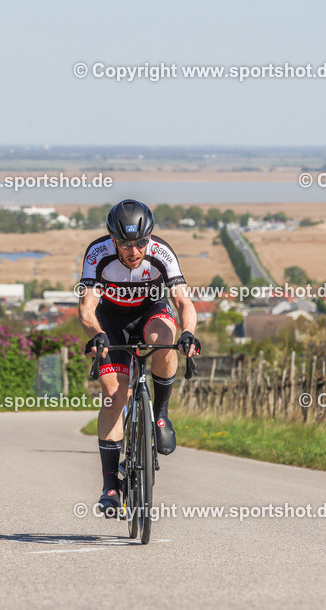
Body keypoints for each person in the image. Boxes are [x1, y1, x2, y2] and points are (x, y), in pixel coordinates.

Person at [78, 199, 201, 517]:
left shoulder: (162, 254)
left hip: (151, 313)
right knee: (114, 395)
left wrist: (188, 332)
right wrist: (96, 332)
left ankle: (160, 414)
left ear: (150, 238)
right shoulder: (97, 253)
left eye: (141, 243)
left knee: (166, 342)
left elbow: (183, 301)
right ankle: (109, 487)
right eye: (125, 244)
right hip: (111, 322)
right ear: (113, 240)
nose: (134, 251)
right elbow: (87, 307)